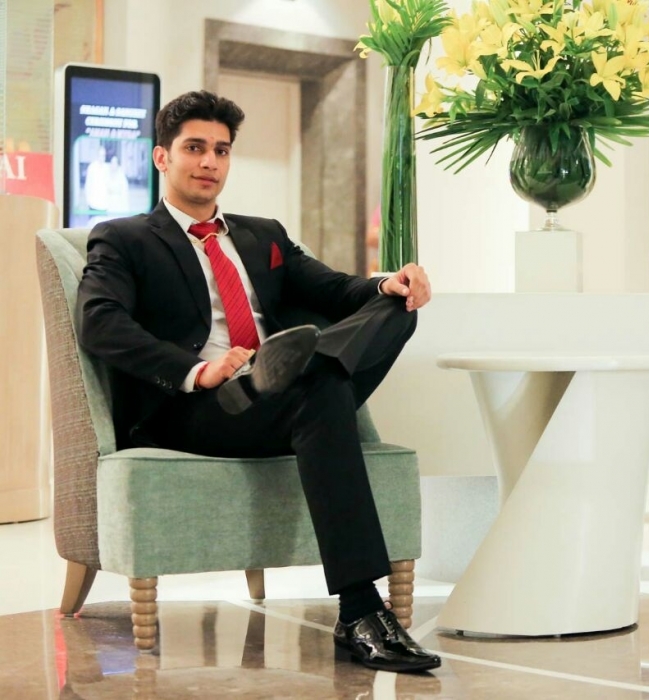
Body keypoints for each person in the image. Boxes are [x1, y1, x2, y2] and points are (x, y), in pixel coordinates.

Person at [75, 90, 439, 674]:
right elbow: (100, 322)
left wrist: (387, 283)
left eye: (221, 150)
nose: (209, 161)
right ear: (162, 157)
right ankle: (360, 611)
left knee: (394, 312)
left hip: (280, 398)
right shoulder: (124, 238)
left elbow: (333, 289)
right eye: (194, 148)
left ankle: (296, 367)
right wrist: (200, 371)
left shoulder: (262, 235)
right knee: (324, 392)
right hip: (198, 409)